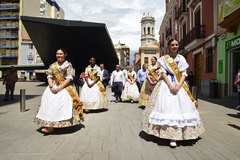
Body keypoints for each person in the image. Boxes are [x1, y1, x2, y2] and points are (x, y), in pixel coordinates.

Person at [142, 39, 204, 147]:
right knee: (166, 108)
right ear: (169, 47)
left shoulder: (182, 58)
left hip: (180, 85)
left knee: (181, 109)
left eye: (176, 44)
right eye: (172, 45)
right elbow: (163, 73)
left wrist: (178, 86)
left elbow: (184, 74)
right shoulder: (163, 59)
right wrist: (171, 86)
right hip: (166, 86)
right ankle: (170, 136)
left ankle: (181, 134)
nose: (174, 46)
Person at [34, 48, 84, 133]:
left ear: (65, 55)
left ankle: (62, 124)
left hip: (65, 87)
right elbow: (49, 76)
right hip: (53, 87)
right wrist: (51, 87)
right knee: (49, 105)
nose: (59, 55)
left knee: (63, 106)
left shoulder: (68, 65)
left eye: (61, 54)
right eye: (57, 54)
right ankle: (49, 126)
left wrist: (59, 88)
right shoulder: (53, 65)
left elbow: (69, 78)